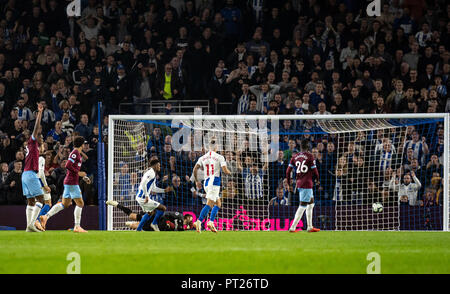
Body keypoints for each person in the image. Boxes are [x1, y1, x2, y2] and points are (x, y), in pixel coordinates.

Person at [39, 136, 91, 232]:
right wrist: (79, 173)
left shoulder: (77, 154)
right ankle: (77, 226)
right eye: (84, 143)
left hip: (70, 181)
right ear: (81, 144)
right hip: (72, 182)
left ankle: (45, 217)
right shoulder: (75, 153)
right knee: (80, 203)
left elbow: (73, 169)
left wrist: (83, 177)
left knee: (65, 204)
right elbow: (68, 165)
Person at [193, 137, 232, 233]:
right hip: (214, 182)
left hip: (206, 183)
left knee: (218, 203)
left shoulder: (202, 157)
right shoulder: (219, 157)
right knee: (210, 204)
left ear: (209, 147)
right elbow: (224, 170)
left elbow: (195, 169)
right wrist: (230, 173)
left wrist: (196, 181)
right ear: (216, 147)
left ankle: (210, 222)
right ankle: (199, 221)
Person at [286, 139, 320, 233]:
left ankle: (309, 226)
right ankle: (293, 227)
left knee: (311, 203)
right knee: (303, 205)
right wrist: (317, 179)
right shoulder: (310, 156)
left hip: (299, 183)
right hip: (307, 183)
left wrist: (289, 184)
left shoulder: (295, 157)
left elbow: (288, 171)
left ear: (300, 147)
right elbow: (315, 171)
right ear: (308, 147)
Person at [22, 103, 45, 232]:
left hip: (25, 175)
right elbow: (36, 129)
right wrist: (40, 113)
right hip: (30, 174)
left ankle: (28, 227)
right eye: (40, 136)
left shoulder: (33, 148)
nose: (41, 137)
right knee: (40, 199)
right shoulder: (32, 142)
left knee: (31, 201)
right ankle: (31, 224)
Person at [135, 159, 173, 232]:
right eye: (158, 165)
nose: (159, 167)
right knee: (163, 208)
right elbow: (143, 183)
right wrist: (146, 196)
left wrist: (164, 190)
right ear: (155, 165)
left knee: (150, 212)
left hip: (140, 197)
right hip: (143, 197)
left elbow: (154, 188)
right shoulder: (151, 173)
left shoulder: (152, 173)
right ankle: (154, 223)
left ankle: (138, 229)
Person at [105, 200, 194, 231]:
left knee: (134, 225)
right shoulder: (179, 216)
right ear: (186, 216)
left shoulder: (182, 228)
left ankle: (130, 224)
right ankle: (117, 204)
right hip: (156, 219)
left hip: (158, 227)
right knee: (132, 216)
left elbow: (185, 227)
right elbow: (168, 214)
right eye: (190, 217)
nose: (191, 219)